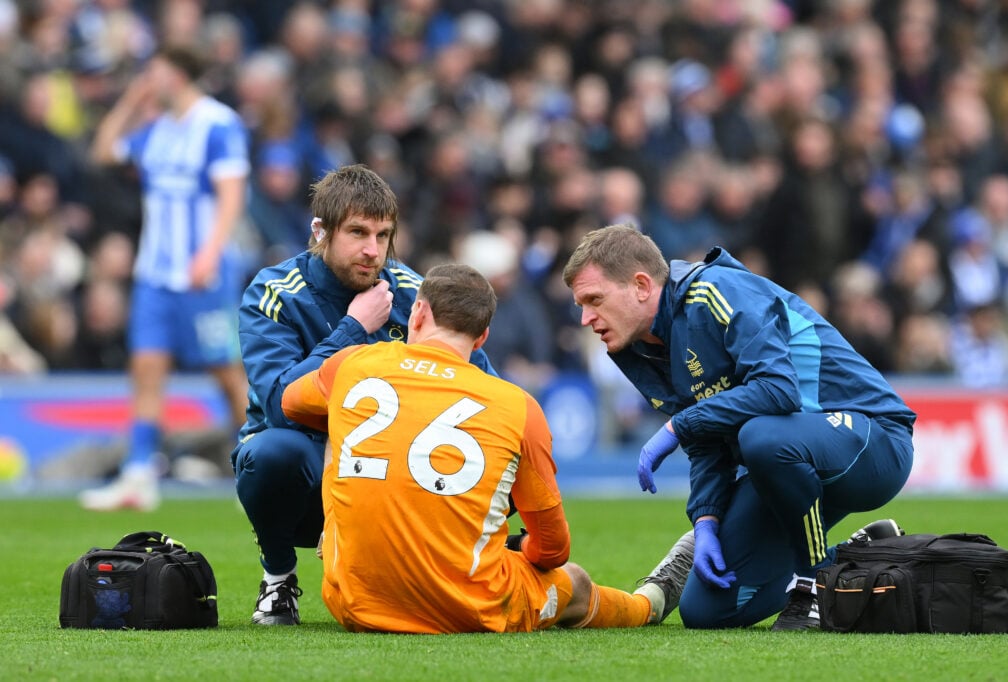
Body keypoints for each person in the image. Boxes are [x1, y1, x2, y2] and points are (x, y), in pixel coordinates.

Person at [280, 263, 694, 633]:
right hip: (467, 607)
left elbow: (290, 403)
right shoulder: (516, 405)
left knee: (335, 419)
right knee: (575, 582)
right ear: (482, 338)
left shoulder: (353, 364)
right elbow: (553, 550)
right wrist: (520, 546)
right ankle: (650, 604)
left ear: (418, 312)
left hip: (352, 600)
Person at [562, 225, 916, 630]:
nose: (586, 318)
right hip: (787, 467)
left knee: (760, 439)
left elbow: (777, 390)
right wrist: (706, 520)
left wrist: (678, 426)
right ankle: (865, 554)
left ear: (641, 285)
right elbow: (706, 441)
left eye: (594, 300)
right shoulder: (639, 347)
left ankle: (813, 583)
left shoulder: (717, 289)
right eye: (581, 306)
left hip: (873, 440)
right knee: (706, 611)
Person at [231, 164, 494, 626]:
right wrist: (353, 328)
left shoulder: (415, 295)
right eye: (357, 232)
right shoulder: (275, 292)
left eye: (383, 235)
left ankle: (448, 568)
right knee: (270, 454)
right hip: (308, 474)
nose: (373, 250)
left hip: (392, 476)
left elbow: (486, 393)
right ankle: (279, 579)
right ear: (321, 232)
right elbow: (279, 403)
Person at [81, 45, 251, 511]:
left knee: (226, 372)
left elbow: (232, 195)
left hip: (203, 275)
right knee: (146, 370)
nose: (148, 80)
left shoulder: (218, 123)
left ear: (177, 74)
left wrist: (210, 253)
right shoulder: (156, 129)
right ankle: (138, 475)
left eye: (153, 73)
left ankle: (256, 472)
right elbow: (102, 151)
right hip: (155, 274)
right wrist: (131, 101)